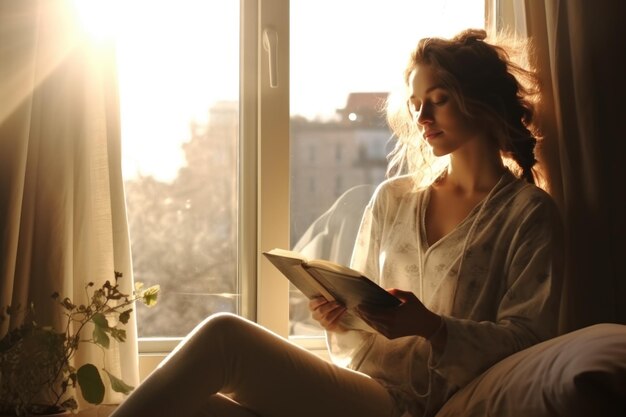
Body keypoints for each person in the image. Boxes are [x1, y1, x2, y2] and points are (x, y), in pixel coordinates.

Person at [110, 29, 563, 417]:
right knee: (196, 408)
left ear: (480, 101)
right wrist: (338, 320)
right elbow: (362, 321)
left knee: (225, 337)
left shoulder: (526, 214)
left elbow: (529, 338)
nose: (422, 118)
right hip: (361, 389)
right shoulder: (394, 199)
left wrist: (431, 327)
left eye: (439, 101)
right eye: (416, 104)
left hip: (412, 404)